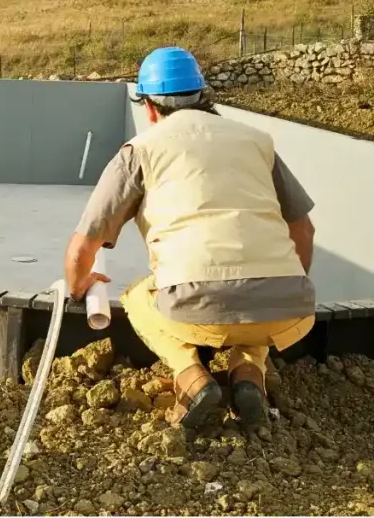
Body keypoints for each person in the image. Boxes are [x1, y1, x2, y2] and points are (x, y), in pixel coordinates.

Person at [64, 46, 317, 430]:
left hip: (195, 306)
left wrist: (79, 283)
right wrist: (289, 282)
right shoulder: (256, 140)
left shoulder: (141, 151)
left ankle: (191, 378)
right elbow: (304, 229)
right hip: (292, 312)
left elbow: (84, 245)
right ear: (203, 95)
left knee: (137, 296)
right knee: (258, 296)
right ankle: (249, 374)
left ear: (148, 107)